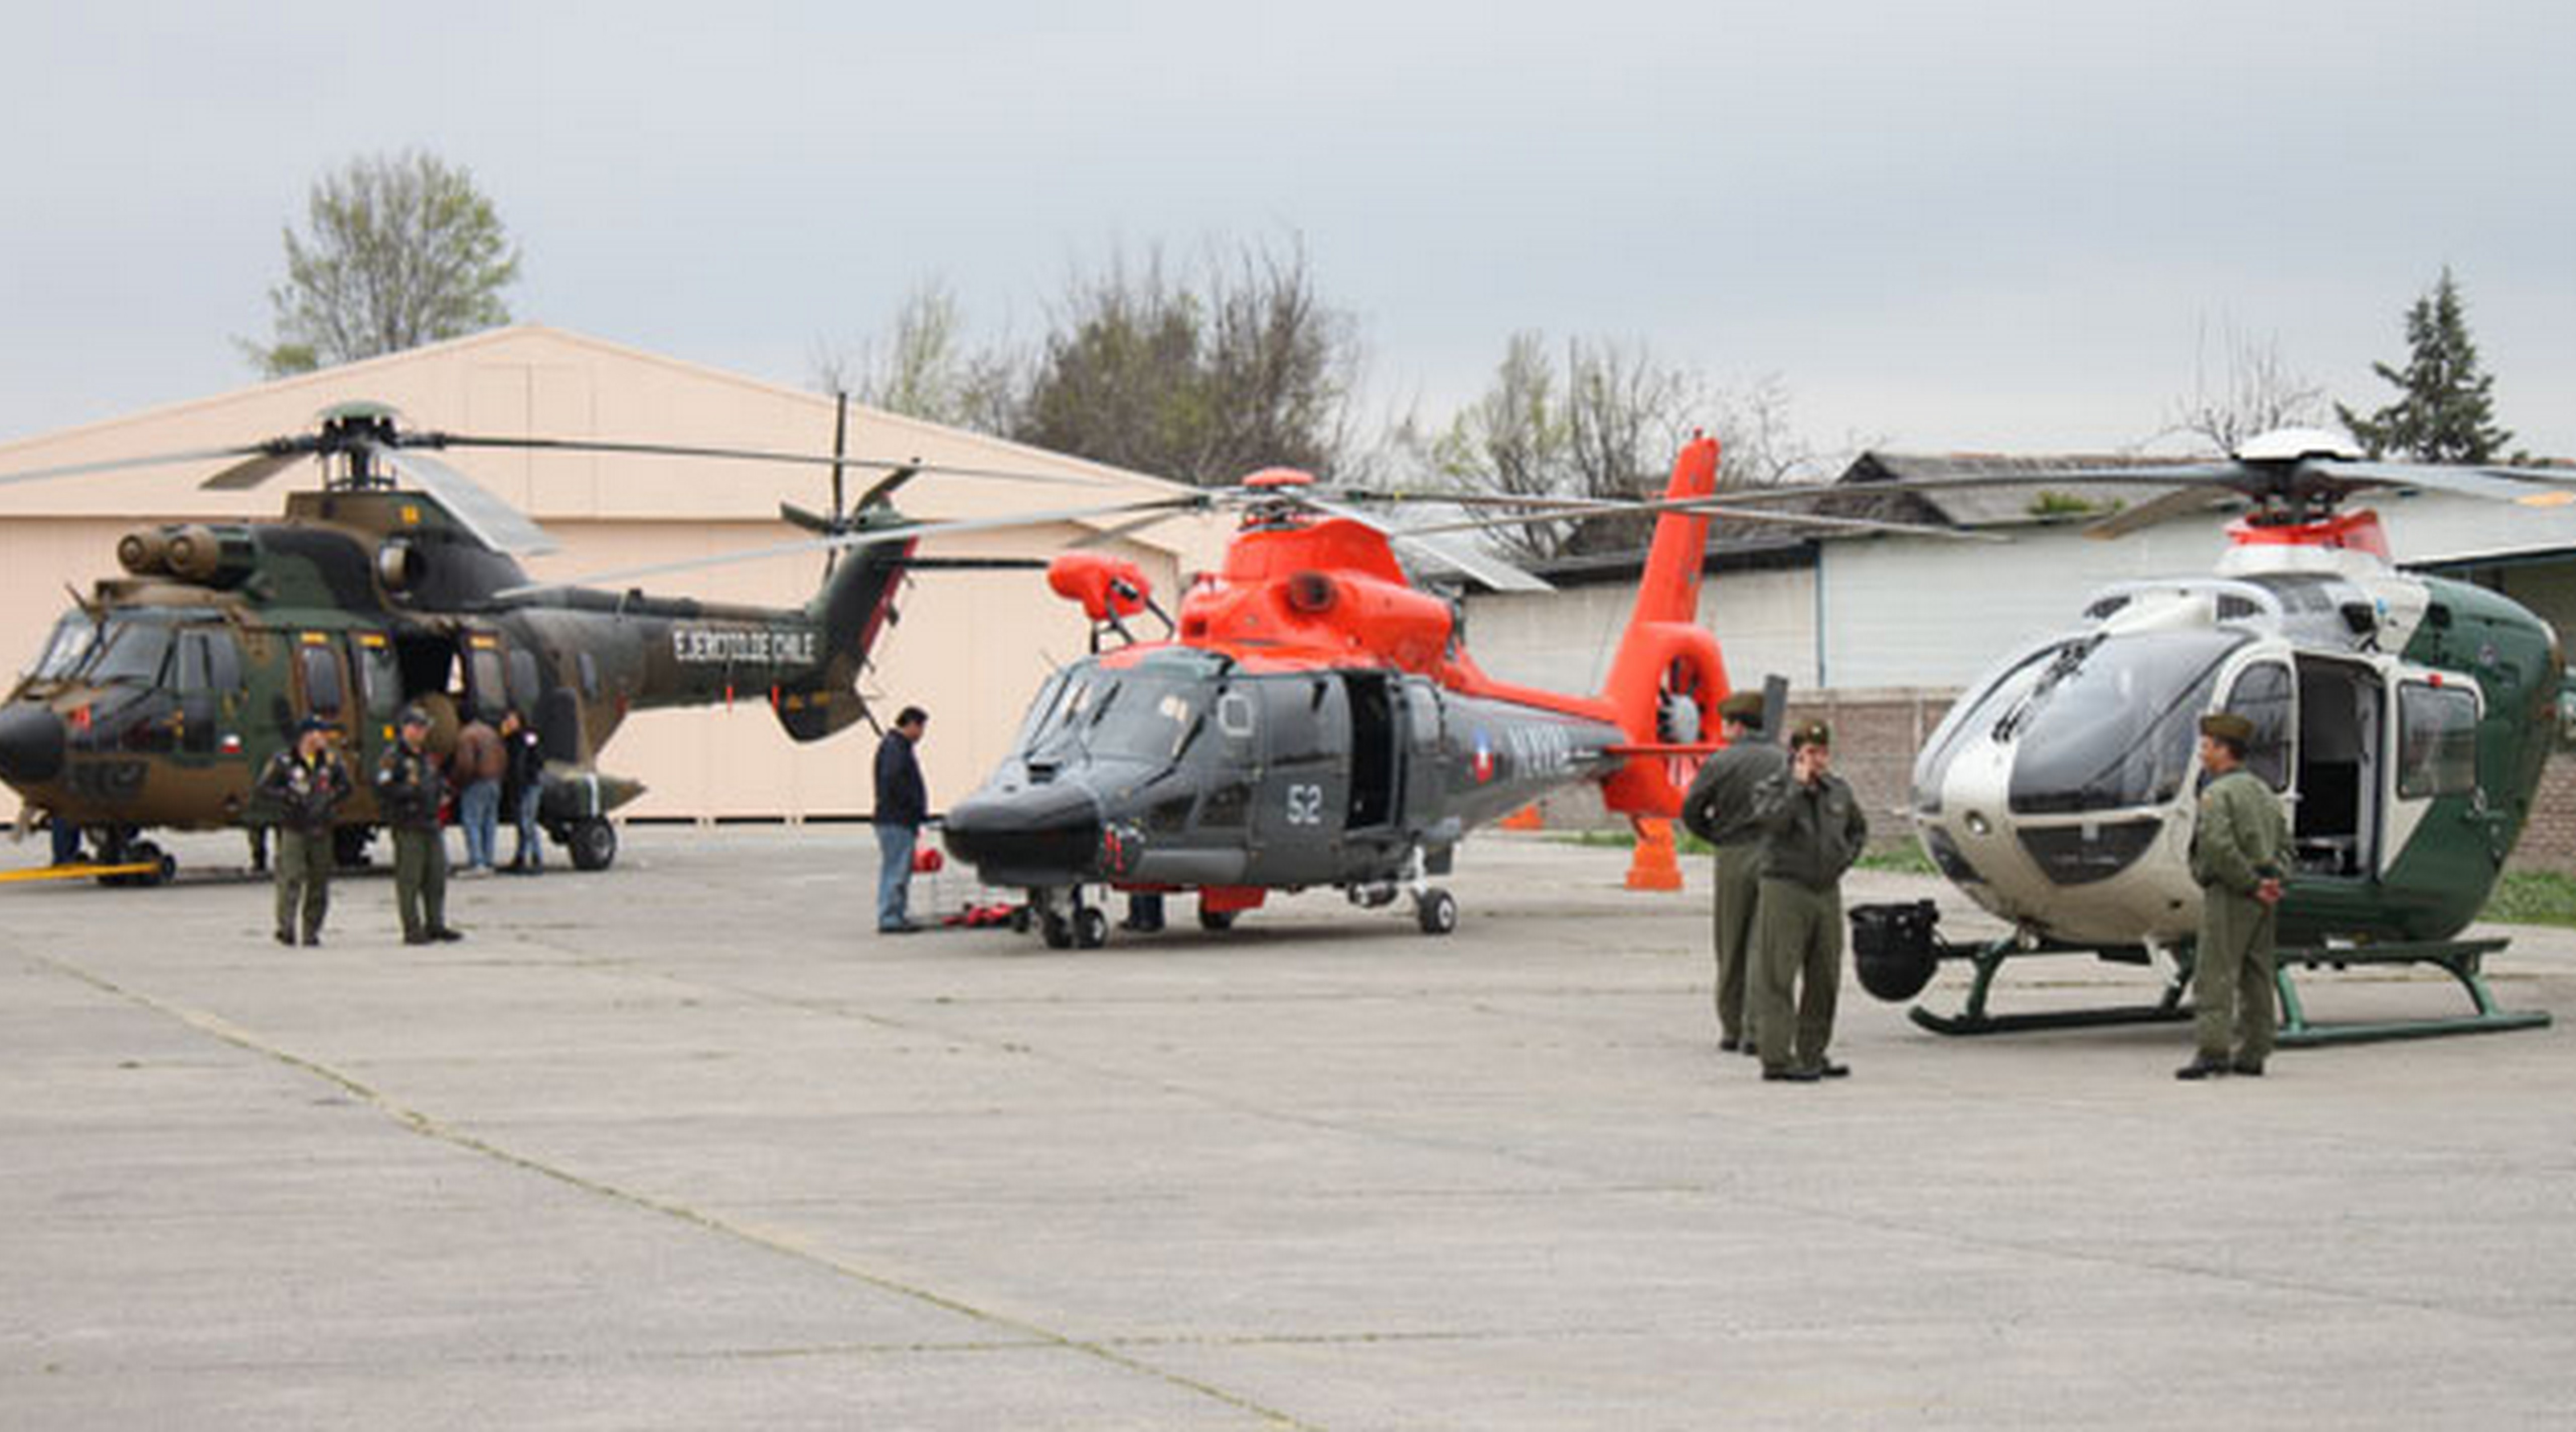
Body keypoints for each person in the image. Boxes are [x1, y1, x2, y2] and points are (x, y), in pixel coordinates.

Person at [1746, 719, 1869, 1083]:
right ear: (1795, 754)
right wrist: (1797, 787)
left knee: (1824, 975)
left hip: (1825, 890)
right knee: (1779, 974)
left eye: (1823, 752)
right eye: (1810, 752)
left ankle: (1813, 1053)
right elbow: (1772, 822)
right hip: (1786, 887)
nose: (1818, 759)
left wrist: (1842, 859)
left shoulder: (1838, 791)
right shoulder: (1773, 788)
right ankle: (1777, 1057)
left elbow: (1858, 829)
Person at [2179, 712, 2291, 1081]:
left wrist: (2247, 883)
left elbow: (2217, 847)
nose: (2202, 753)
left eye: (2207, 746)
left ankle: (2213, 1051)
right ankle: (2255, 1051)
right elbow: (2286, 844)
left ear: (2224, 750)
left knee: (2216, 973)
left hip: (2231, 892)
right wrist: (2273, 882)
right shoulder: (2264, 792)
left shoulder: (2217, 793)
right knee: (2258, 973)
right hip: (2265, 894)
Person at [1679, 690, 1786, 1056]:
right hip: (1775, 856)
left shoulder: (1720, 762)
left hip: (1733, 854)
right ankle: (1758, 1029)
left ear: (1738, 725)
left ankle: (1732, 1027)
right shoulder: (1784, 759)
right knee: (1764, 943)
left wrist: (1716, 836)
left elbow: (1692, 810)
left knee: (1731, 943)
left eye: (1726, 722)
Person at [254, 716, 352, 946]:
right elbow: (264, 788)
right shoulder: (284, 761)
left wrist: (331, 798)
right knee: (291, 878)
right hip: (294, 827)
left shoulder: (331, 761)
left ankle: (312, 930)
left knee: (319, 881)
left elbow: (346, 787)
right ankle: (286, 927)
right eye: (320, 733)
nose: (324, 738)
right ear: (307, 736)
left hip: (322, 828)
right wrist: (287, 797)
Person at [377, 706, 463, 945]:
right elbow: (384, 788)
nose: (422, 732)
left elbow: (438, 781)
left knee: (436, 876)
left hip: (431, 822)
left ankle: (435, 923)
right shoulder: (393, 758)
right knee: (410, 878)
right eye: (417, 727)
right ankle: (412, 928)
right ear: (405, 729)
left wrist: (443, 792)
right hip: (408, 823)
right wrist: (412, 793)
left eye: (424, 728)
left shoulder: (427, 758)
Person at [873, 706, 930, 934]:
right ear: (911, 725)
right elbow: (894, 781)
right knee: (897, 869)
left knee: (899, 868)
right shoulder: (895, 748)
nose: (922, 734)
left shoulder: (897, 747)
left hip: (897, 818)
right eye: (921, 728)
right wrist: (912, 807)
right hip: (896, 820)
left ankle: (896, 913)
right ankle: (890, 917)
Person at [451, 712, 505, 877]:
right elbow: (503, 757)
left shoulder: (466, 736)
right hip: (494, 782)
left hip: (476, 783)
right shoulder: (492, 733)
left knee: (472, 821)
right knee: (489, 822)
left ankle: (477, 861)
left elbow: (466, 763)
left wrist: (458, 782)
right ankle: (489, 860)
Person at [499, 708, 545, 874]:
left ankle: (536, 858)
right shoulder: (509, 740)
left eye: (512, 719)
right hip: (517, 785)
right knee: (521, 823)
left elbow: (537, 757)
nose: (509, 722)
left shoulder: (528, 737)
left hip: (530, 783)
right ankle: (521, 857)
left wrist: (530, 774)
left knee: (528, 822)